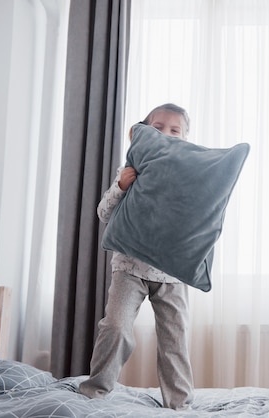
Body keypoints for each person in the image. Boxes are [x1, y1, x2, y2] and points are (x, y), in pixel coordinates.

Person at [79, 103, 194, 410]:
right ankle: (95, 391)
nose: (165, 134)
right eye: (157, 127)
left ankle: (179, 404)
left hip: (171, 272)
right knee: (115, 327)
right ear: (142, 132)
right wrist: (121, 186)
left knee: (175, 338)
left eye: (174, 130)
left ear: (185, 139)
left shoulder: (188, 177)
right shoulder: (129, 170)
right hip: (129, 267)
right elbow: (104, 213)